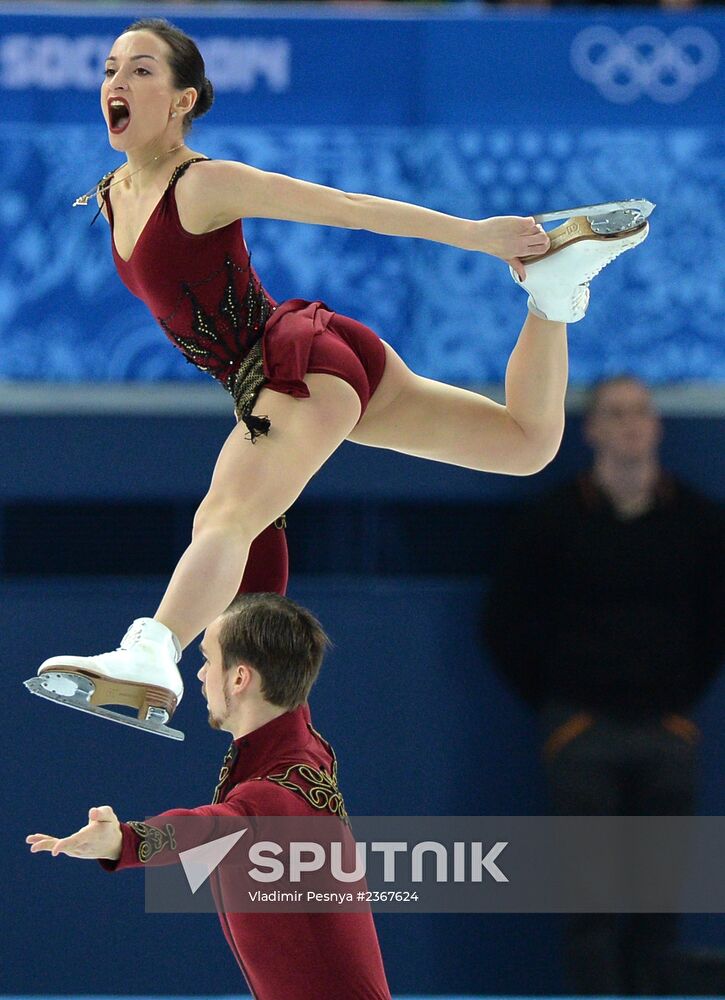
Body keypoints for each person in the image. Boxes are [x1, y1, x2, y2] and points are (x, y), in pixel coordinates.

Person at [30, 17, 649, 737]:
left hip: (293, 361)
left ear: (182, 101)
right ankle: (551, 297)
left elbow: (347, 209)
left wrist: (476, 235)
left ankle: (150, 655)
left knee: (223, 520)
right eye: (110, 69)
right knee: (525, 445)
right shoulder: (111, 194)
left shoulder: (202, 184)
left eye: (140, 70)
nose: (116, 81)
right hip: (314, 364)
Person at [484, 375, 724, 996]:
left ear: (657, 425)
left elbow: (716, 623)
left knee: (659, 905)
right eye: (614, 415)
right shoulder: (554, 522)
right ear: (590, 430)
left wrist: (678, 700)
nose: (629, 426)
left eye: (639, 413)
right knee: (588, 904)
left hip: (668, 730)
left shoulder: (699, 522)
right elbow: (503, 623)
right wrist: (559, 706)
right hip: (580, 731)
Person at [27, 592, 392, 1000]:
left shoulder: (273, 800)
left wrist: (124, 841)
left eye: (206, 660)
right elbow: (274, 644)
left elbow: (205, 829)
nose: (199, 675)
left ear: (239, 678)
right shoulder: (305, 745)